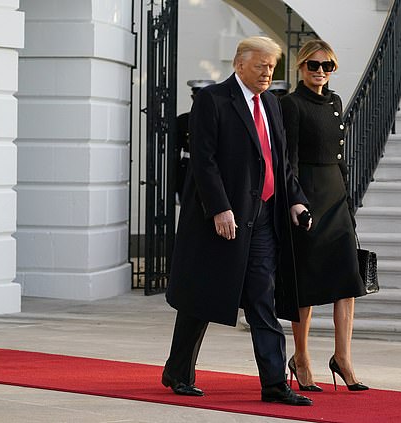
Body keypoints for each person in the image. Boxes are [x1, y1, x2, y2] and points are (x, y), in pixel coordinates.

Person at [162, 36, 313, 406]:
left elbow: (281, 161)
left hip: (262, 219)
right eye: (260, 65)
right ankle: (178, 371)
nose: (267, 72)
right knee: (202, 298)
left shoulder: (273, 105)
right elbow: (204, 160)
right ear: (239, 64)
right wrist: (219, 207)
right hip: (223, 218)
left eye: (272, 66)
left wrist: (295, 200)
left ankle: (275, 383)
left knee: (262, 298)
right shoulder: (213, 100)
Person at [280, 39, 368, 392]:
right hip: (308, 196)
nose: (320, 72)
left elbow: (339, 155)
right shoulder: (290, 104)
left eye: (327, 66)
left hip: (335, 195)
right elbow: (289, 159)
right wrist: (295, 203)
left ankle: (342, 357)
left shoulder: (334, 102)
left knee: (347, 281)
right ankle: (300, 358)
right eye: (313, 66)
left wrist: (348, 201)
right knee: (306, 285)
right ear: (300, 67)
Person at [175, 80, 214, 203]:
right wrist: (175, 186)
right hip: (188, 168)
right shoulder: (183, 120)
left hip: (213, 169)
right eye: (197, 96)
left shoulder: (220, 118)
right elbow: (175, 152)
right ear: (192, 97)